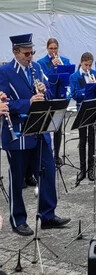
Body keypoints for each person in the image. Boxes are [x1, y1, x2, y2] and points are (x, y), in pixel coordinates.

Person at [0, 34, 71, 236]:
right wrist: (28, 102)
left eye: (32, 52)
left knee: (47, 172)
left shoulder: (37, 68)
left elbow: (46, 96)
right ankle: (18, 219)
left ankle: (48, 215)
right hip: (18, 132)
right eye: (26, 53)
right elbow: (5, 104)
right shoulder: (4, 72)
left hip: (39, 130)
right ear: (15, 52)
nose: (30, 56)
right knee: (17, 179)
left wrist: (44, 91)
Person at [69, 52, 96, 185]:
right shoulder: (74, 76)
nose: (88, 68)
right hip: (82, 110)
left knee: (91, 140)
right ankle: (82, 169)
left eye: (90, 65)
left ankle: (91, 169)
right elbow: (74, 94)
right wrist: (88, 88)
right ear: (81, 62)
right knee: (82, 140)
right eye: (86, 65)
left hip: (93, 110)